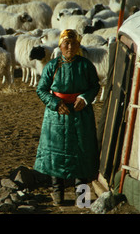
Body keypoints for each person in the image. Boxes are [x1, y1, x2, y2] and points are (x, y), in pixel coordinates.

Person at [34, 29, 100, 206]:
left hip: (81, 115)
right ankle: (58, 194)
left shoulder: (86, 66)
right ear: (60, 46)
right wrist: (55, 103)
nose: (70, 46)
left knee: (82, 152)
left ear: (79, 45)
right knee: (56, 155)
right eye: (66, 43)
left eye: (73, 43)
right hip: (56, 116)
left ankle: (82, 197)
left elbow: (95, 86)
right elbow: (41, 89)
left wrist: (85, 98)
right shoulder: (52, 66)